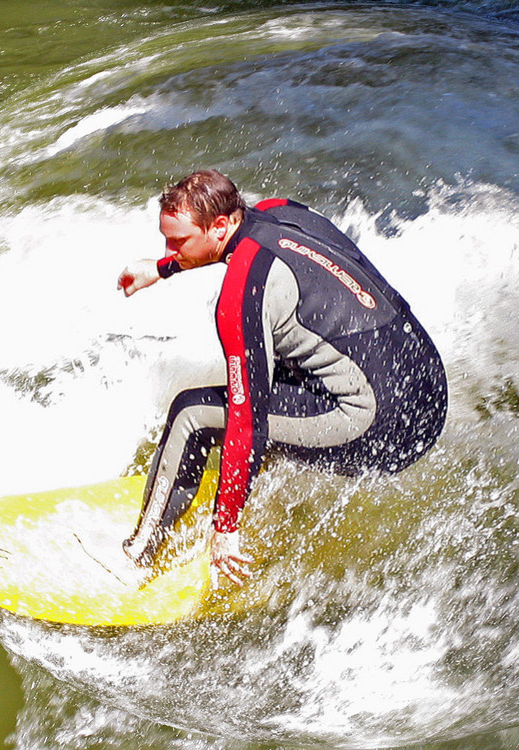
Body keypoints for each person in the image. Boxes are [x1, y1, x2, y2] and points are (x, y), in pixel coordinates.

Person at [117, 170, 447, 585]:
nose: (169, 249)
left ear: (220, 225)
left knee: (192, 413)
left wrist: (225, 526)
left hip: (380, 428)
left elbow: (247, 415)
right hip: (428, 391)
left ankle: (137, 556)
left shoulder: (241, 293)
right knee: (288, 351)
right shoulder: (284, 213)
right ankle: (246, 484)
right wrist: (163, 268)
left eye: (177, 242)